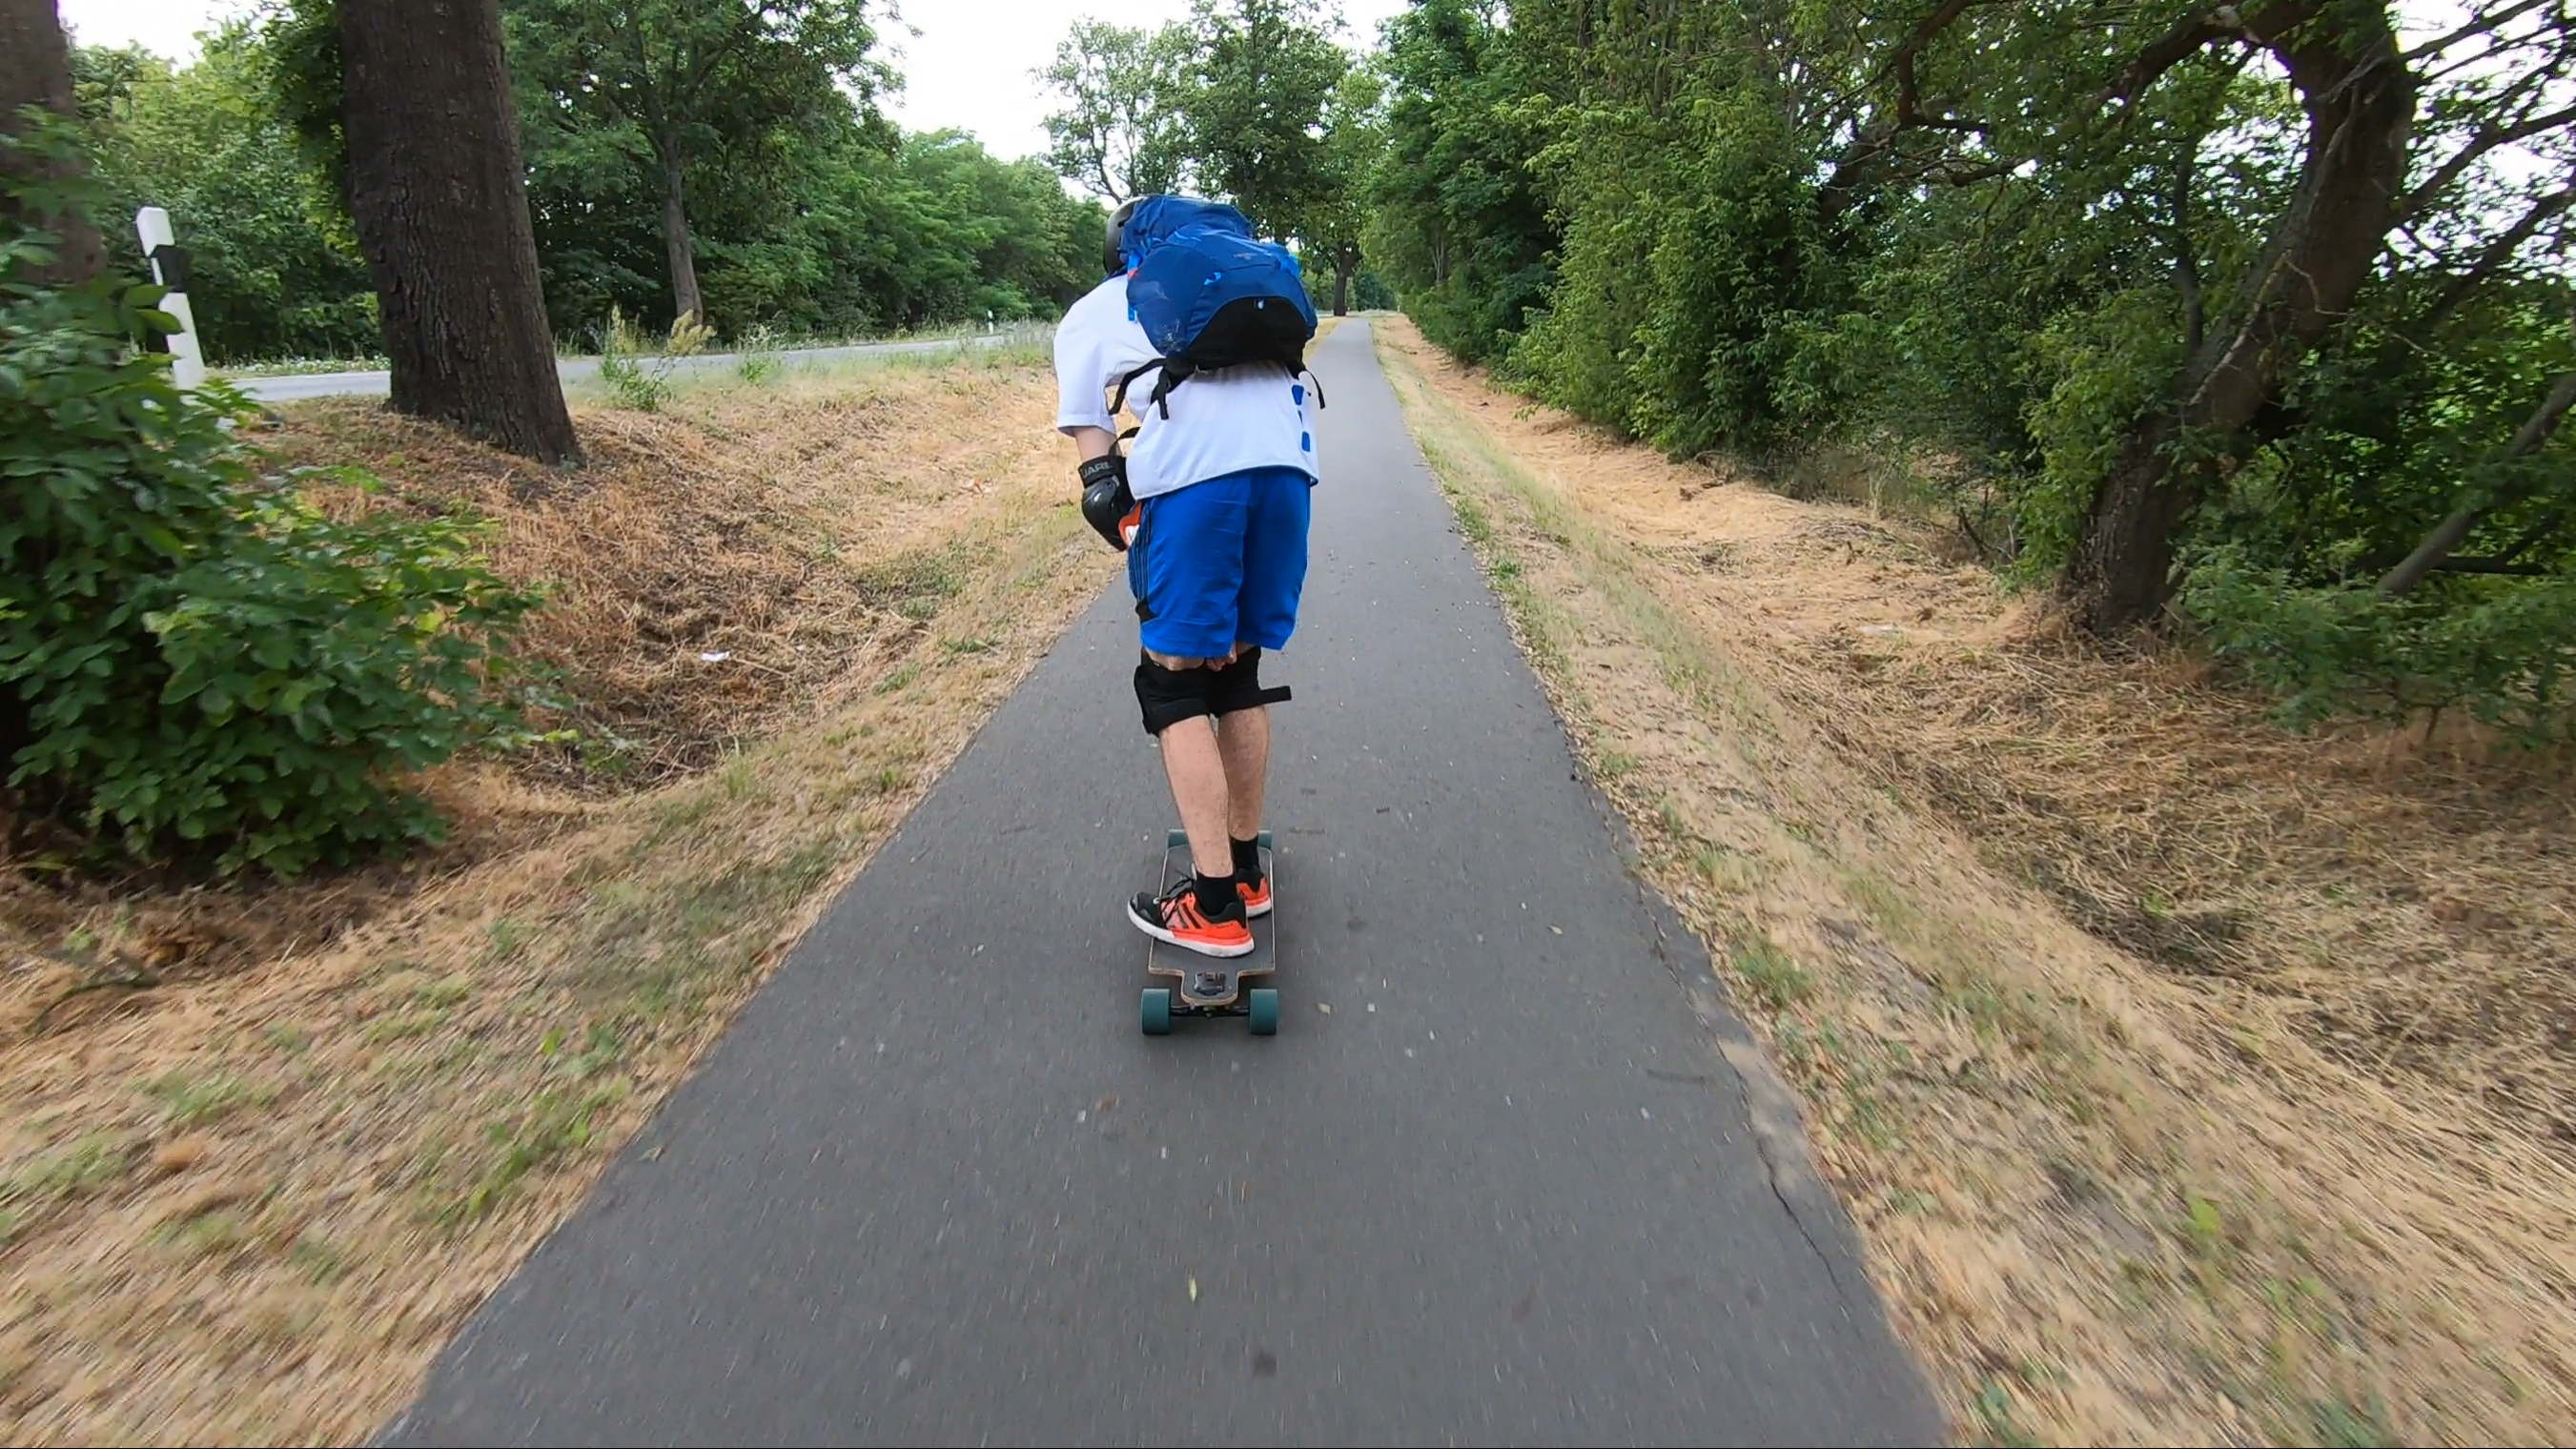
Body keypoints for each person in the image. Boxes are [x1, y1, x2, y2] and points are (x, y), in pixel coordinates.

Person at [1053, 195, 1319, 958]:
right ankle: (1246, 871)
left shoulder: (1103, 305)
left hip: (1201, 486)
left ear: (1121, 252)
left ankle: (1213, 907)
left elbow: (1094, 452)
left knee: (1172, 684)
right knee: (1237, 671)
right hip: (1290, 471)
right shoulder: (1253, 288)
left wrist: (1110, 492)